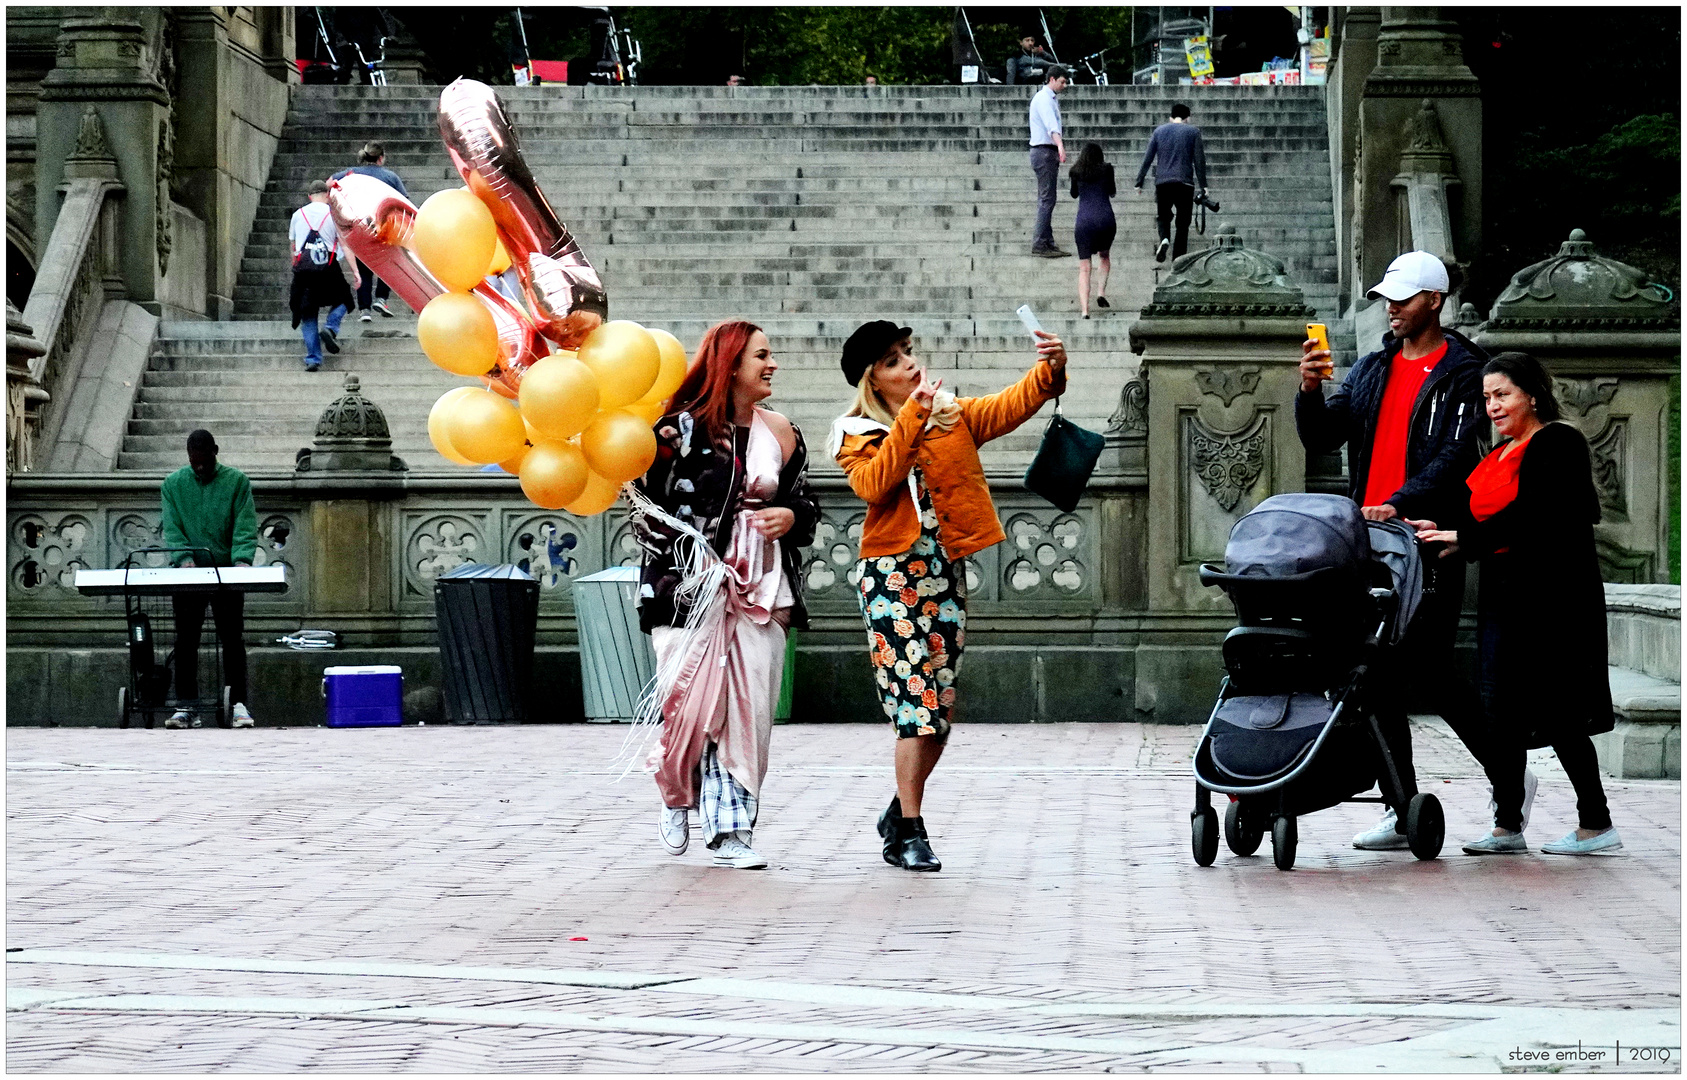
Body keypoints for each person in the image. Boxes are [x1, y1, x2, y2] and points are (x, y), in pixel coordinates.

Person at [830, 320, 1068, 871]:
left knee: (938, 714)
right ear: (873, 380)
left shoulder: (949, 416)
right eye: (893, 360)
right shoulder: (853, 432)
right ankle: (910, 832)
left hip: (944, 574)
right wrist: (913, 414)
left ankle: (898, 810)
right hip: (890, 576)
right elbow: (875, 484)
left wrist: (1050, 369)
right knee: (917, 707)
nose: (909, 364)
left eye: (907, 353)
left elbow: (1011, 406)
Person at [1295, 250, 1508, 852]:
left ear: (1434, 301)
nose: (1391, 308)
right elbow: (1321, 435)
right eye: (1387, 298)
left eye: (1403, 298)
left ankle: (1508, 782)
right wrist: (1310, 389)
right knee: (1375, 672)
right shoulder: (1371, 368)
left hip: (1430, 540)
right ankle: (1402, 804)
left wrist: (1400, 499)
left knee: (1435, 672)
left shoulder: (1466, 370)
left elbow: (1457, 454)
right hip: (1373, 544)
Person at [1413, 354, 1621, 856]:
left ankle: (1597, 823)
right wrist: (1431, 527)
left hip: (1553, 600)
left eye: (1501, 394)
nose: (1492, 406)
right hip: (1503, 597)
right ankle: (1508, 825)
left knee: (1560, 710)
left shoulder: (1558, 442)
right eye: (1486, 398)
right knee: (1498, 711)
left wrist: (1468, 536)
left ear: (1531, 393)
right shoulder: (1499, 453)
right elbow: (1476, 517)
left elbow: (1537, 515)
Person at [631, 320, 820, 870]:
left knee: (746, 711)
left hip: (762, 590)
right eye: (762, 355)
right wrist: (695, 560)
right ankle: (676, 791)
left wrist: (791, 515)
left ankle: (730, 831)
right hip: (688, 593)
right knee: (691, 704)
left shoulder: (783, 432)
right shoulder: (674, 434)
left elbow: (805, 503)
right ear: (731, 363)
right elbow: (644, 513)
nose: (773, 364)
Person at [160, 429, 259, 730]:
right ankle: (187, 705)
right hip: (190, 575)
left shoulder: (237, 482)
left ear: (216, 451)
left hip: (226, 574)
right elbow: (172, 527)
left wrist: (241, 559)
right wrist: (183, 559)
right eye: (194, 462)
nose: (200, 467)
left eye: (205, 461)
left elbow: (245, 524)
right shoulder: (173, 485)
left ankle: (238, 704)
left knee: (232, 639)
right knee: (185, 640)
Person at [331, 141, 409, 322]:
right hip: (384, 227)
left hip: (359, 228)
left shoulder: (349, 174)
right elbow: (404, 202)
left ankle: (364, 310)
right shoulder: (390, 177)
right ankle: (381, 298)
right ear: (381, 158)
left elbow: (330, 183)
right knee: (388, 265)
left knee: (363, 270)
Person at [288, 179, 359, 372]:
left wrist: (296, 266)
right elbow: (345, 245)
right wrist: (355, 271)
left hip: (304, 272)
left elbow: (294, 247)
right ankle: (330, 328)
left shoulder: (298, 215)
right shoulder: (334, 215)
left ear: (310, 196)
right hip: (328, 268)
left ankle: (313, 359)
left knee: (308, 313)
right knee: (344, 299)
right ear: (327, 195)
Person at [1133, 102, 1208, 263]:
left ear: (1171, 117)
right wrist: (1204, 186)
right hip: (1185, 183)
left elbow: (1148, 157)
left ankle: (1165, 238)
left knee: (1163, 216)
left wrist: (1139, 181)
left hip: (1163, 182)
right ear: (1187, 118)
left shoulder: (1159, 131)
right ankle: (1178, 260)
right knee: (1183, 223)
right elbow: (1199, 161)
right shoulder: (1193, 132)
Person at [1069, 142, 1116, 318]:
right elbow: (1112, 191)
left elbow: (1074, 194)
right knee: (1104, 256)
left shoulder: (1075, 171)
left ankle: (1085, 311)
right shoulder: (1107, 169)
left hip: (1084, 222)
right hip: (1106, 219)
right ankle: (1101, 293)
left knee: (1084, 267)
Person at [1028, 66, 1070, 259]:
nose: (1064, 85)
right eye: (1062, 81)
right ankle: (1040, 242)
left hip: (1043, 151)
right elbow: (1051, 125)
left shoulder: (1047, 98)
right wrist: (1060, 145)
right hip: (1044, 151)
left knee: (1047, 198)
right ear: (1051, 79)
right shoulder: (1044, 99)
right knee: (1047, 199)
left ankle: (1047, 240)